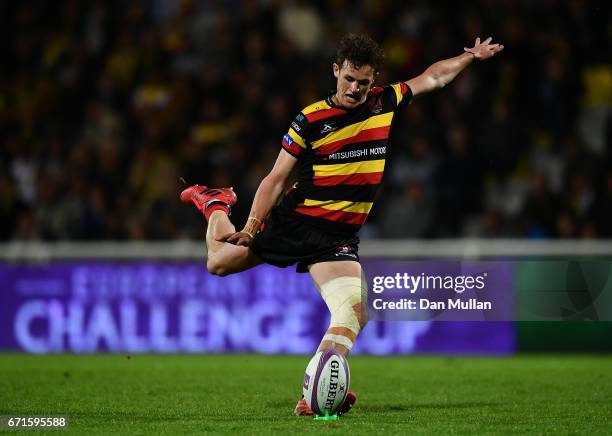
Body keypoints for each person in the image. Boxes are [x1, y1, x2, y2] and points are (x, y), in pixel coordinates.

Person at [180, 34, 503, 416]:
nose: (355, 89)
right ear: (336, 71)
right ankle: (215, 202)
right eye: (349, 79)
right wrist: (250, 227)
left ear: (373, 80)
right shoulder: (311, 118)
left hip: (337, 238)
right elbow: (276, 179)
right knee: (217, 262)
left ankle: (319, 389)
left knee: (354, 311)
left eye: (363, 83)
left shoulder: (385, 101)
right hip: (297, 222)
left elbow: (433, 77)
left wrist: (469, 56)